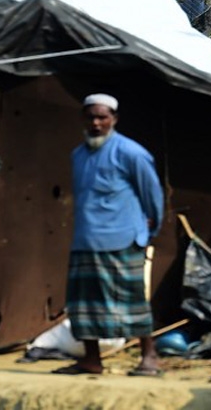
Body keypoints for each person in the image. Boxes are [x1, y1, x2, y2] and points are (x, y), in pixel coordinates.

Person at [53, 93, 165, 376]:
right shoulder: (77, 155)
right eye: (91, 117)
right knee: (83, 305)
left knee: (133, 301)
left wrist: (150, 230)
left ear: (113, 119)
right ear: (83, 119)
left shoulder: (131, 153)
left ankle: (149, 357)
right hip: (85, 240)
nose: (96, 123)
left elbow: (153, 196)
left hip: (122, 239)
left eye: (102, 117)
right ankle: (92, 359)